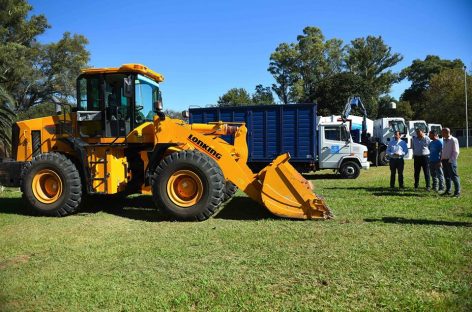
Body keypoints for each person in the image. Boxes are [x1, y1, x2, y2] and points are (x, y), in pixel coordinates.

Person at [441, 128, 461, 197]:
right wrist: (442, 159)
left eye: (442, 132)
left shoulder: (453, 140)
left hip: (450, 161)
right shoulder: (444, 140)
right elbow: (443, 150)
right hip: (444, 160)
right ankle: (448, 190)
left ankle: (457, 192)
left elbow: (456, 152)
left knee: (454, 176)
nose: (442, 134)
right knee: (446, 176)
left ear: (447, 132)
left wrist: (451, 160)